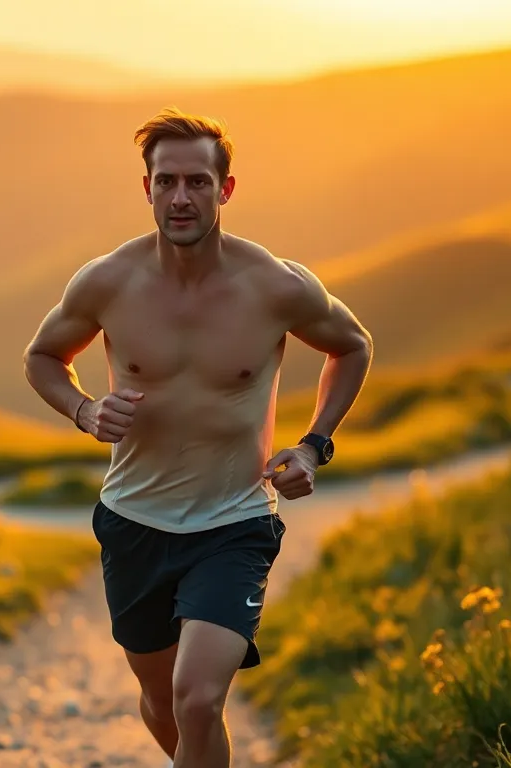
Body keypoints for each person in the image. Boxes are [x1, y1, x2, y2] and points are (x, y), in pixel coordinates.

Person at [21, 106, 373, 768]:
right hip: (134, 522)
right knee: (161, 704)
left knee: (198, 700)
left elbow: (352, 346)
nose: (181, 198)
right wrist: (82, 410)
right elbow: (42, 357)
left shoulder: (275, 285)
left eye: (198, 182)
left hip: (234, 523)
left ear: (226, 189)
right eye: (166, 182)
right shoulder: (107, 282)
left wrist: (313, 444)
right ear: (147, 189)